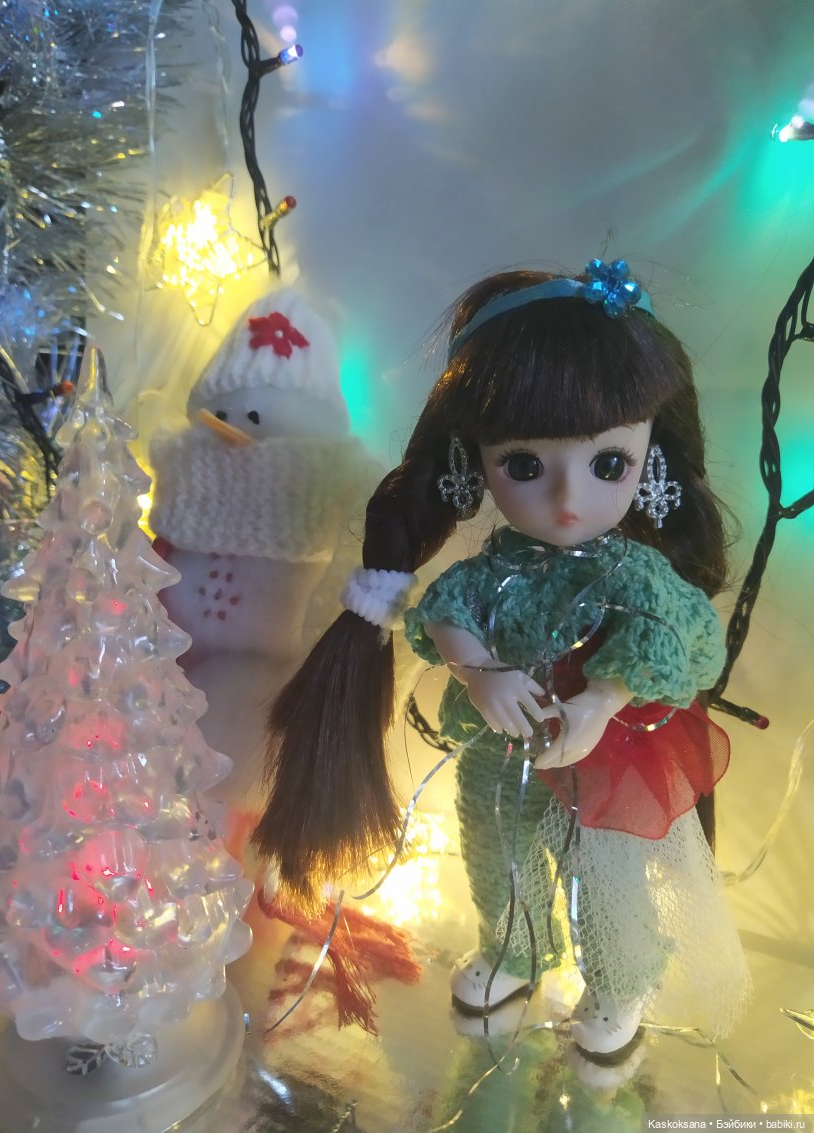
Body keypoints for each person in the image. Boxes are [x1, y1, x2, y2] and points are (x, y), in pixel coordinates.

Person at [253, 260, 751, 1056]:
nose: (567, 498)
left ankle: (618, 980)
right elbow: (447, 612)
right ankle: (515, 950)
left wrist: (600, 701)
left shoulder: (633, 571)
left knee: (604, 880)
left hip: (606, 762)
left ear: (648, 457)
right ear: (474, 462)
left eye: (608, 464)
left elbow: (673, 635)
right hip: (497, 753)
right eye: (524, 465)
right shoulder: (494, 569)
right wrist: (480, 672)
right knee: (497, 856)